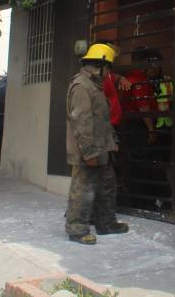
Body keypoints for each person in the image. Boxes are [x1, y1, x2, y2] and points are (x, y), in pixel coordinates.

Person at [65, 43, 129, 245]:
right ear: (100, 66)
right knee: (82, 190)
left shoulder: (95, 86)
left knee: (107, 187)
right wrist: (89, 153)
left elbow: (103, 119)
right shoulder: (82, 86)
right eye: (108, 68)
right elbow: (82, 122)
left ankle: (106, 224)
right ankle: (77, 229)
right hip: (88, 151)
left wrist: (112, 141)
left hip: (103, 149)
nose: (109, 73)